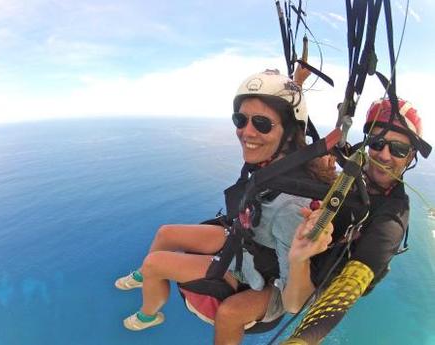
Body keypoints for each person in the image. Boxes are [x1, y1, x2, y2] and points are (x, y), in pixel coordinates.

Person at [114, 69, 336, 342]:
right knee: (166, 233)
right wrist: (295, 83)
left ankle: (150, 314)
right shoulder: (280, 161)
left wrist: (298, 259)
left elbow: (293, 301)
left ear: (289, 133)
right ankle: (145, 278)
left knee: (154, 264)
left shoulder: (291, 208)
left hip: (266, 276)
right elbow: (285, 116)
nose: (246, 131)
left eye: (262, 124)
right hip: (249, 239)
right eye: (240, 119)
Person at [280, 97, 432, 344]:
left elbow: (349, 286)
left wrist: (300, 341)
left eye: (398, 149)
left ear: (410, 157)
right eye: (377, 143)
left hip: (306, 282)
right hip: (288, 249)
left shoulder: (391, 219)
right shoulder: (353, 171)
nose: (383, 155)